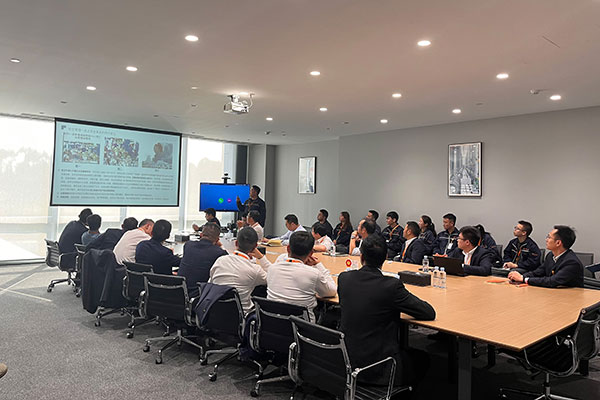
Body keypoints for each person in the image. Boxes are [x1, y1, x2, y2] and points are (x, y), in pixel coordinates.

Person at [338, 234, 436, 386]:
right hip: (379, 366)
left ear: (361, 256)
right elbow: (428, 312)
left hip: (346, 360)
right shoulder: (391, 286)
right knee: (423, 358)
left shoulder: (344, 278)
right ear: (386, 257)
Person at [267, 231, 337, 321]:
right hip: (302, 327)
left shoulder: (272, 268)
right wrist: (318, 265)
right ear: (311, 253)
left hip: (272, 323)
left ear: (288, 249)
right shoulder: (313, 274)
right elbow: (331, 292)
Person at [209, 227, 271, 314]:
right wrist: (261, 257)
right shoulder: (255, 270)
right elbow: (273, 277)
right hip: (242, 316)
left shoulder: (220, 261)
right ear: (255, 247)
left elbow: (210, 283)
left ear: (236, 243)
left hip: (215, 313)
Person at [508, 226, 583, 288]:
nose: (546, 240)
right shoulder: (550, 256)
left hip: (570, 296)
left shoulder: (571, 262)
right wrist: (520, 276)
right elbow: (538, 272)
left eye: (549, 237)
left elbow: (552, 281)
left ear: (558, 243)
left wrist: (524, 279)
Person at [178, 222, 228, 296]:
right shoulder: (219, 253)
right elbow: (227, 259)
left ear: (201, 235)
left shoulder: (188, 245)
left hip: (179, 292)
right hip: (199, 295)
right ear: (217, 239)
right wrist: (220, 246)